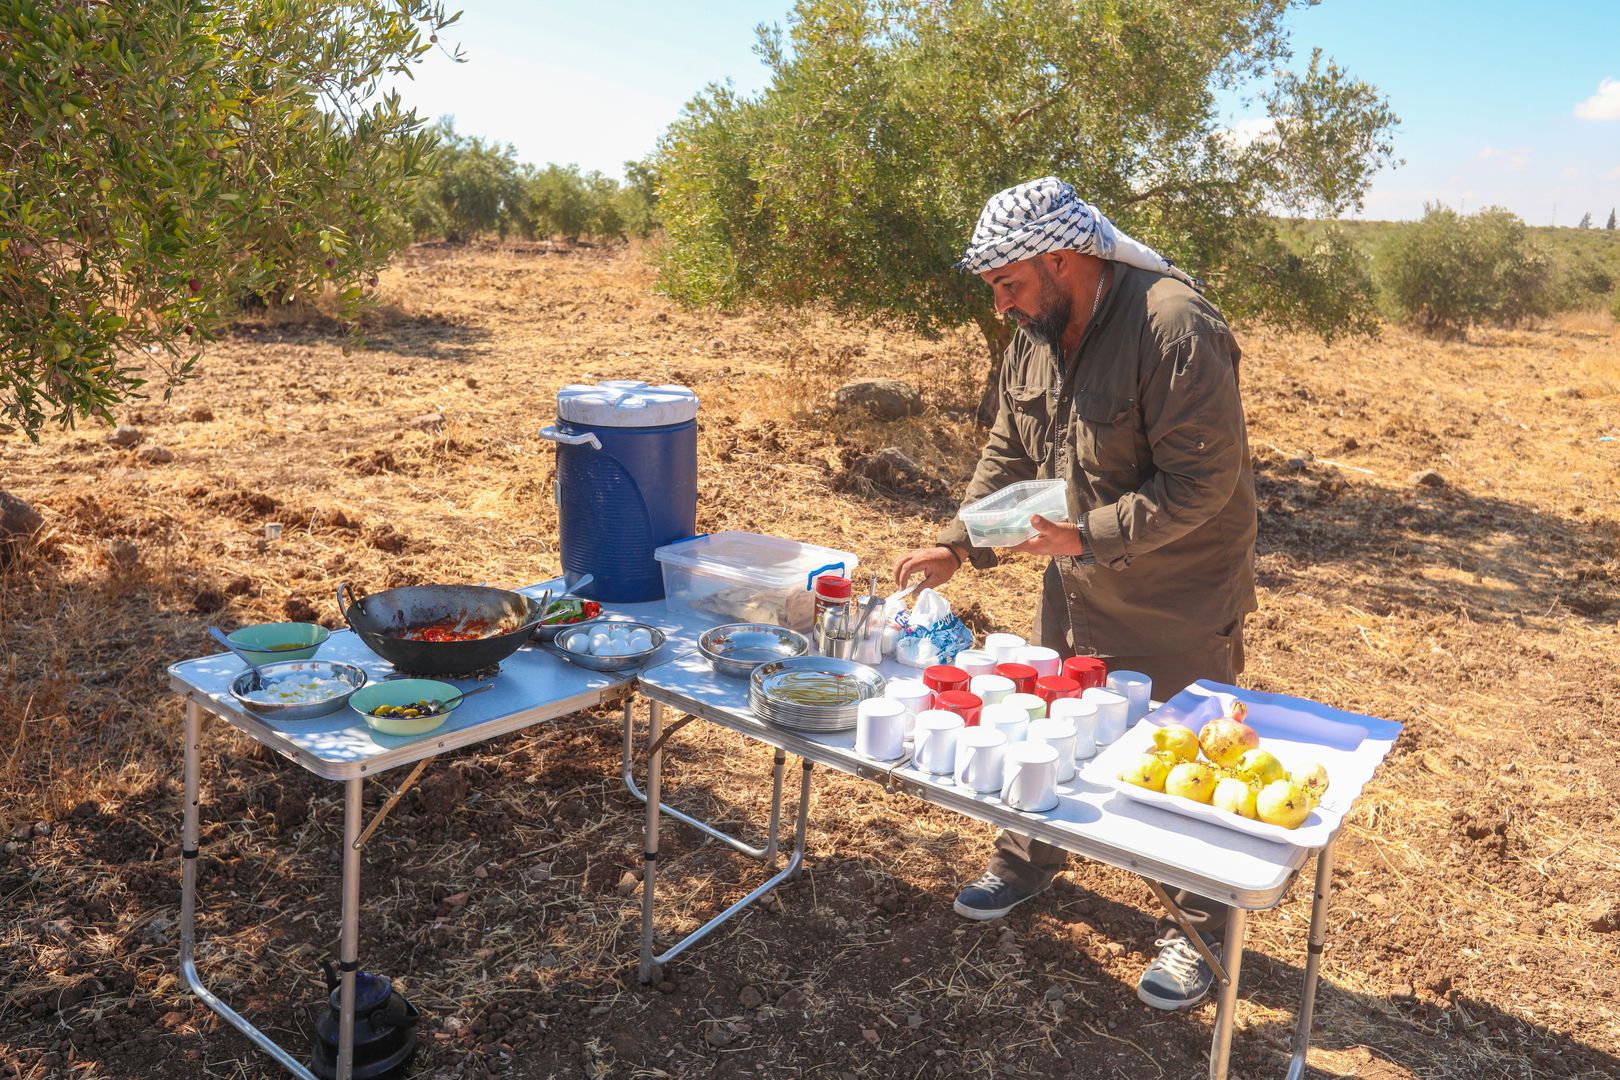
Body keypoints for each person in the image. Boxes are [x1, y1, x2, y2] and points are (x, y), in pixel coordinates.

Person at [893, 177, 1257, 1011]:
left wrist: (1086, 536)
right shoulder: (1036, 331)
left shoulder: (1173, 325)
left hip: (1178, 593)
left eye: (1008, 283)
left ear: (1062, 259)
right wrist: (958, 543)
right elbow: (1010, 452)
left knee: (1189, 753)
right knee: (1046, 721)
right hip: (1075, 584)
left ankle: (1200, 926)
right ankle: (1027, 860)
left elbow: (1203, 482)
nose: (1000, 305)